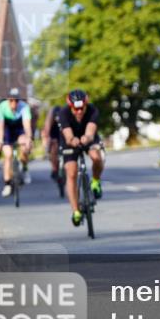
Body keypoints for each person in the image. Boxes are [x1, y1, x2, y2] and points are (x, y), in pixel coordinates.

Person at [58, 89, 105, 227]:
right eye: (75, 109)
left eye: (81, 108)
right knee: (71, 172)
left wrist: (87, 138)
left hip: (87, 137)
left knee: (96, 156)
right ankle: (75, 211)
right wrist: (73, 140)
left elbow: (90, 131)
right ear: (70, 106)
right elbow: (67, 136)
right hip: (70, 140)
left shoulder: (92, 110)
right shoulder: (63, 113)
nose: (79, 112)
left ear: (86, 105)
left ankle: (95, 181)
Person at [0, 88, 33, 197]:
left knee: (25, 146)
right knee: (8, 154)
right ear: (7, 100)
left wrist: (29, 138)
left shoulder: (24, 107)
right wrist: (0, 140)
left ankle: (24, 167)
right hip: (6, 130)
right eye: (11, 100)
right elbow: (0, 127)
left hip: (19, 129)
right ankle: (7, 184)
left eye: (16, 101)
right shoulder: (1, 108)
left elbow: (27, 125)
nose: (14, 103)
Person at [43, 105, 64, 183]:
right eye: (56, 118)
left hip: (62, 130)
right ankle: (54, 169)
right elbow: (47, 131)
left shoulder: (64, 115)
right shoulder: (50, 117)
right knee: (53, 148)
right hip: (53, 131)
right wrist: (48, 141)